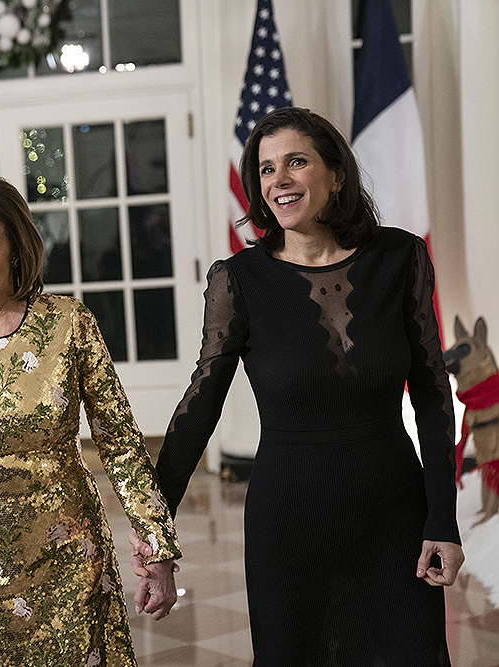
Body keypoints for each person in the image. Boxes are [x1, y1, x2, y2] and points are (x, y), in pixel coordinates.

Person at [130, 107, 464, 665]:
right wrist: (153, 526)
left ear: (336, 174)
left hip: (395, 515)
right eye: (265, 169)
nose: (278, 180)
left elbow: (431, 390)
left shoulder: (400, 256)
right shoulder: (239, 279)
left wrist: (442, 519)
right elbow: (201, 404)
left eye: (296, 163)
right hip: (291, 519)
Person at [0, 175, 181, 667]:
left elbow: (120, 443)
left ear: (16, 248)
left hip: (69, 558)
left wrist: (156, 546)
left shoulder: (69, 322)